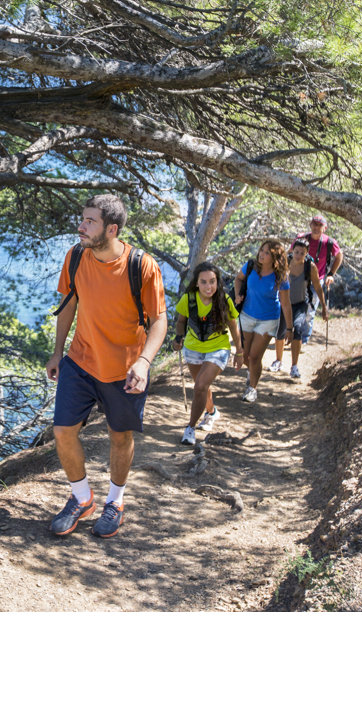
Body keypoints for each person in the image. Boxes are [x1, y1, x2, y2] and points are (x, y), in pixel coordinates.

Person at [45, 195, 168, 539]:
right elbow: (69, 304)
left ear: (111, 229)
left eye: (90, 221)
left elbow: (160, 320)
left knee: (120, 436)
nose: (81, 226)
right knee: (63, 431)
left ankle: (115, 502)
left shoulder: (141, 266)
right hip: (81, 360)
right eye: (82, 219)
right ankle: (82, 498)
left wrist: (144, 363)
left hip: (125, 369)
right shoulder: (75, 257)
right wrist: (57, 352)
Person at [172, 261, 243, 447]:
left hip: (218, 347)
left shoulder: (224, 300)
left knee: (200, 386)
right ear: (196, 283)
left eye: (212, 281)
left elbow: (234, 328)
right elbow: (181, 321)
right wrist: (178, 337)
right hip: (193, 347)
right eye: (203, 282)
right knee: (201, 387)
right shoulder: (188, 299)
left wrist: (239, 352)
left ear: (217, 282)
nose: (208, 286)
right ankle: (211, 412)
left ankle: (190, 428)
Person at [233, 239, 293, 403]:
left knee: (254, 356)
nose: (262, 254)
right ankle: (252, 372)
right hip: (246, 315)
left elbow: (286, 304)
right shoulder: (251, 266)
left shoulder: (280, 276)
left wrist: (289, 328)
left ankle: (252, 389)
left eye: (267, 253)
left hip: (268, 320)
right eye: (262, 250)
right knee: (244, 355)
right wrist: (238, 295)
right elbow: (238, 279)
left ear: (275, 258)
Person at [268, 237, 327, 379]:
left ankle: (294, 366)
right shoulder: (285, 263)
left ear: (306, 253)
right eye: (296, 252)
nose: (299, 255)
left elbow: (318, 288)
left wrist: (324, 308)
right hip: (284, 302)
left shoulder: (310, 267)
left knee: (298, 329)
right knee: (280, 331)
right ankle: (278, 361)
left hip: (301, 303)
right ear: (292, 251)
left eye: (302, 253)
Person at [297, 214, 343, 292]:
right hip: (298, 279)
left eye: (320, 225)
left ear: (325, 228)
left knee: (311, 304)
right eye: (315, 224)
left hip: (316, 281)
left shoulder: (329, 242)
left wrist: (331, 274)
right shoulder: (301, 238)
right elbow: (289, 253)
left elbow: (339, 256)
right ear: (310, 224)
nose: (316, 227)